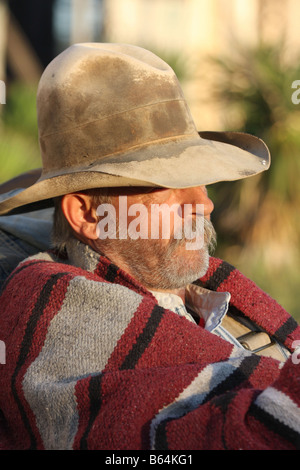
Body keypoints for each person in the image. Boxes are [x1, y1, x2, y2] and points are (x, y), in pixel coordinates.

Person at [0, 43, 299, 451]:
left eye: (200, 177)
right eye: (169, 183)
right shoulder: (56, 320)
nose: (203, 203)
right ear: (86, 215)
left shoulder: (218, 296)